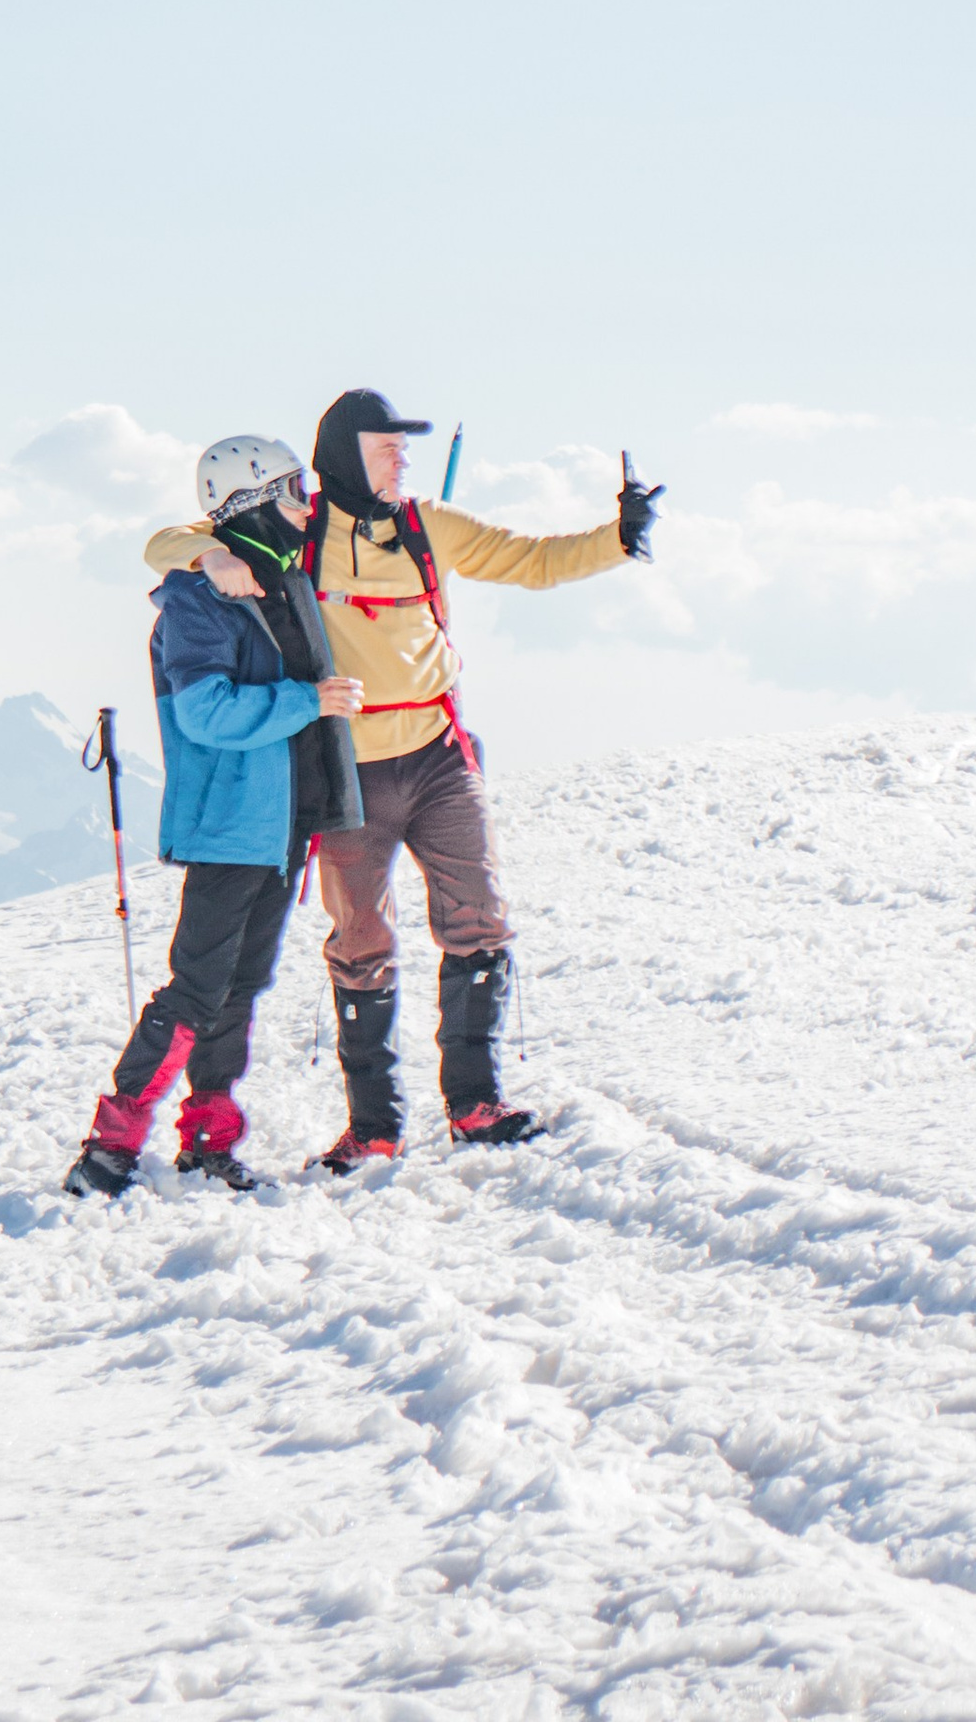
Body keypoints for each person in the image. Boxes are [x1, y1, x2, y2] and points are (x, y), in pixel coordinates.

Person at [143, 389, 662, 1166]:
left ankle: (476, 1105)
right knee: (361, 940)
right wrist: (207, 555)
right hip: (344, 767)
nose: (404, 457)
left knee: (478, 916)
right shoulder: (298, 526)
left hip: (438, 751)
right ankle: (375, 1127)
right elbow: (165, 542)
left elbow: (532, 560)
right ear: (347, 453)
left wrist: (618, 538)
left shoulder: (429, 526)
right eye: (389, 445)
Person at [65, 434, 363, 1200]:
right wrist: (309, 701)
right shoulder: (199, 598)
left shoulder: (278, 580)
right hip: (232, 823)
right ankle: (111, 1146)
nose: (307, 505)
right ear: (252, 501)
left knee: (241, 986)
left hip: (283, 824)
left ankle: (208, 1138)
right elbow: (204, 713)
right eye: (293, 490)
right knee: (197, 990)